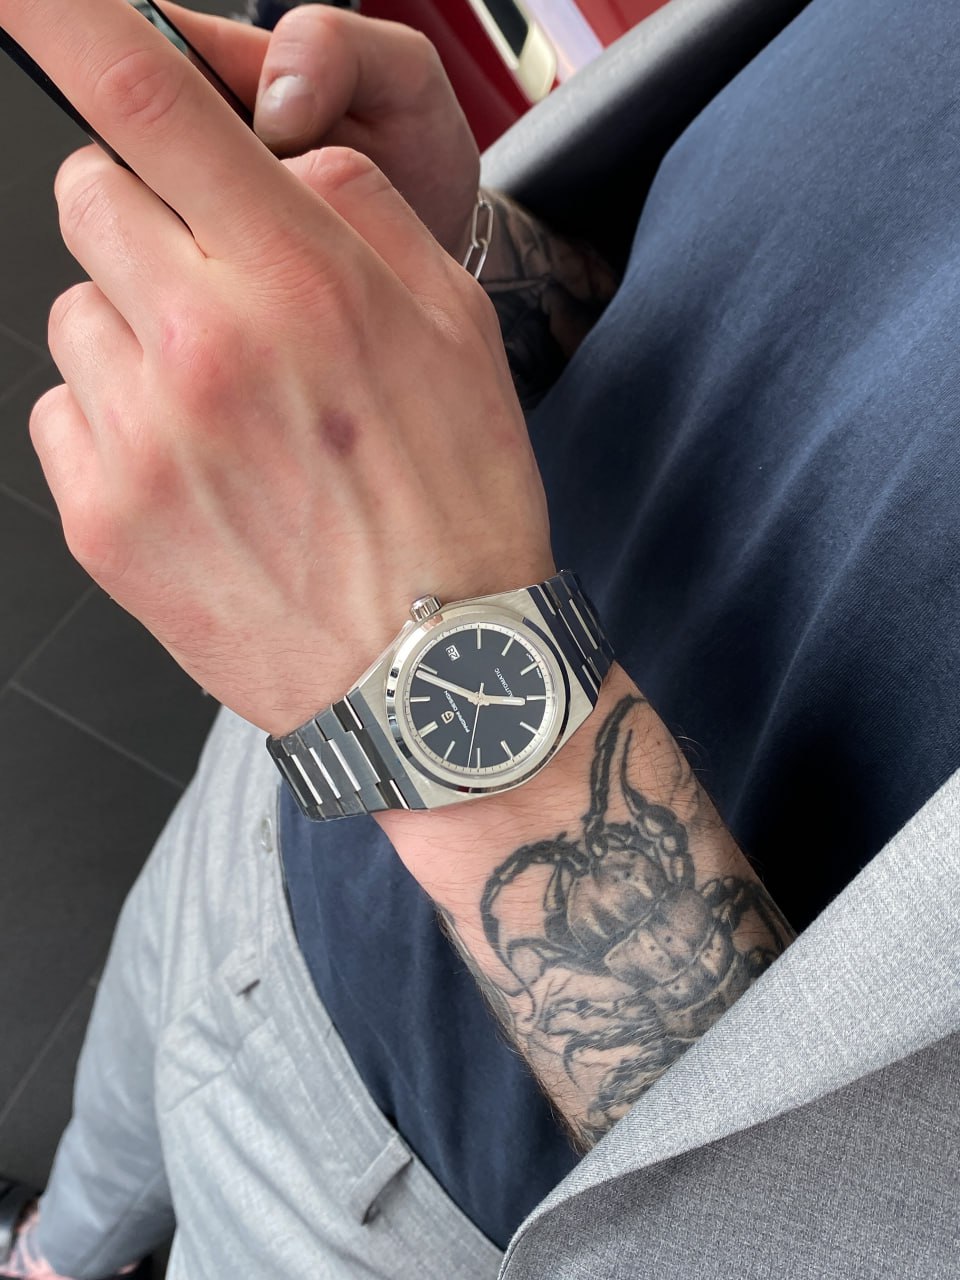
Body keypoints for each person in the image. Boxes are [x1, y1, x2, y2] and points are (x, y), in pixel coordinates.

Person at [1, 0, 958, 1276]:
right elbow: (723, 292)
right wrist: (453, 272)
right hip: (289, 752)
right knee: (101, 1147)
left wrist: (412, 669)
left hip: (422, 1189)